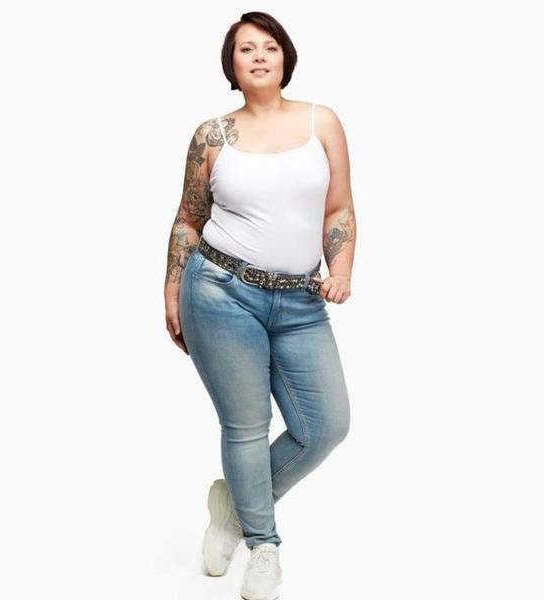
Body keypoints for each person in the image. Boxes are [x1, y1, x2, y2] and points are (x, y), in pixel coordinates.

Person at [164, 11, 356, 600]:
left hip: (301, 300)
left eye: (269, 46)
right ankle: (264, 546)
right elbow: (189, 217)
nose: (259, 56)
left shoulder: (322, 122)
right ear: (232, 65)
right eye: (245, 49)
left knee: (325, 426)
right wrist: (172, 290)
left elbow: (339, 208)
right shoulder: (212, 136)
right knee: (247, 425)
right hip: (219, 291)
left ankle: (235, 507)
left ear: (285, 57)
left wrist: (341, 269)